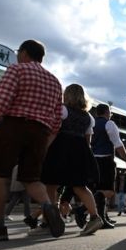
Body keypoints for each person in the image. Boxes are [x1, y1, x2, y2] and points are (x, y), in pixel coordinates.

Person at [0, 39, 64, 241]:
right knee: (31, 178)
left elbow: (1, 99)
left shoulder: (17, 70)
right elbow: (57, 118)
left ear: (24, 53)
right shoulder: (55, 81)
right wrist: (47, 140)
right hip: (40, 132)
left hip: (14, 126)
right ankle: (49, 206)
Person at [39, 83, 104, 236]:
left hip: (60, 150)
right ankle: (95, 217)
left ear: (66, 95)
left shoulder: (62, 110)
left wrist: (43, 149)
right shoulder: (88, 117)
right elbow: (88, 140)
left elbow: (54, 132)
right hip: (80, 151)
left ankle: (48, 221)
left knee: (51, 185)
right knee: (80, 186)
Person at [83, 104, 126, 230]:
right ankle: (82, 209)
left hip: (92, 159)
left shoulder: (92, 122)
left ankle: (102, 217)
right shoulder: (109, 124)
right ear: (106, 112)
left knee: (98, 188)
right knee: (108, 191)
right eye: (109, 112)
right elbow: (118, 144)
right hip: (105, 159)